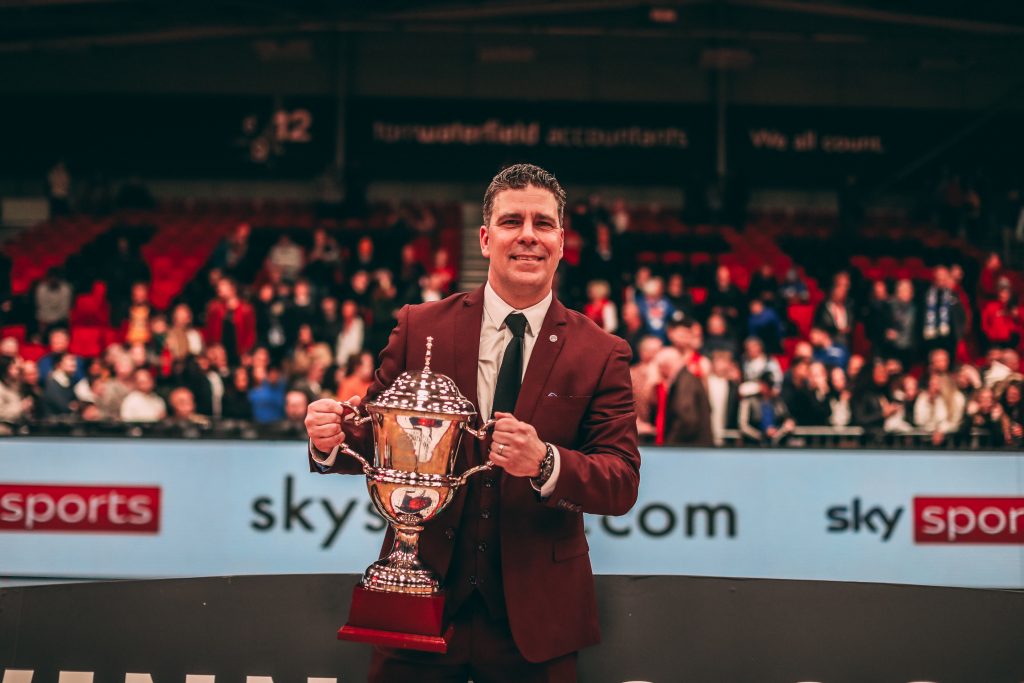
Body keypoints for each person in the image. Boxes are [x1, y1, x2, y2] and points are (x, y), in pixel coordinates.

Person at [303, 163, 640, 682]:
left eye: (543, 223)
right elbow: (373, 437)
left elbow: (620, 482)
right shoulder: (420, 325)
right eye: (511, 222)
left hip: (537, 624)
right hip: (417, 602)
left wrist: (546, 463)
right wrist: (330, 439)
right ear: (485, 238)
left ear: (562, 241)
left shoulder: (602, 352)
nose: (528, 235)